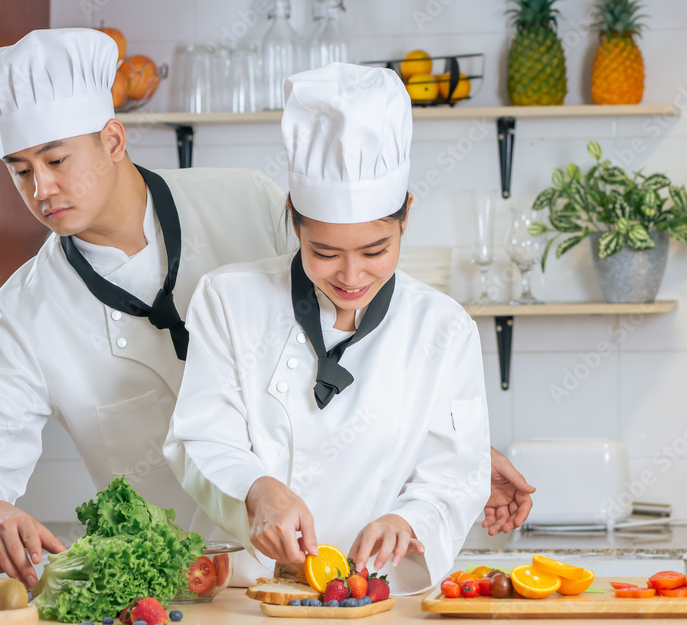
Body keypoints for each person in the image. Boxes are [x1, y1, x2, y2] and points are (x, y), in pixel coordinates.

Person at [0, 28, 533, 590]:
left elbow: (351, 320)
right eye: (20, 171)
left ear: (113, 138)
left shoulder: (244, 201)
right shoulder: (29, 312)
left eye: (55, 161)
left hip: (309, 573)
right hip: (170, 586)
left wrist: (459, 447)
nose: (41, 190)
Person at [164, 63, 492, 593]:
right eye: (324, 252)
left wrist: (408, 522)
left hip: (374, 596)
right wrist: (257, 489)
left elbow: (455, 474)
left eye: (375, 250)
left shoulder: (444, 328)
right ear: (294, 217)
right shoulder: (228, 299)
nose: (351, 275)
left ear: (405, 215)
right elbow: (200, 435)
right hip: (248, 596)